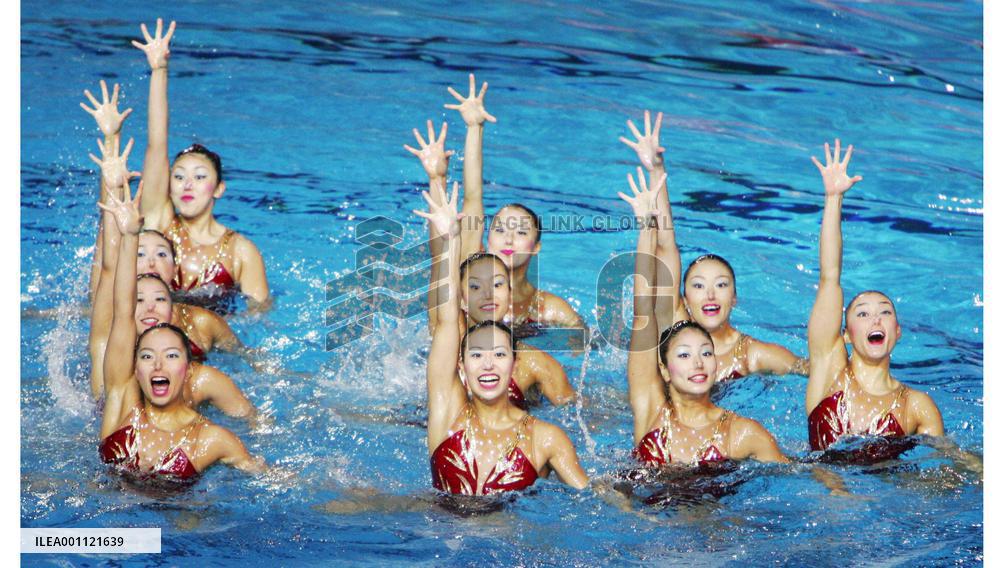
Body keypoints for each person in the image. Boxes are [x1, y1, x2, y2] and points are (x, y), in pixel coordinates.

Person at [419, 182, 588, 495]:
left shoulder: (546, 436)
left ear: (514, 362)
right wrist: (450, 240)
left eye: (498, 355)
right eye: (477, 355)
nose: (487, 364)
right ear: (461, 362)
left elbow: (593, 494)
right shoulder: (447, 410)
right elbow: (444, 316)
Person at [98, 177, 263, 484]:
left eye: (171, 355)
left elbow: (272, 480)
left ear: (189, 370)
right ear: (134, 368)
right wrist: (129, 236)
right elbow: (121, 312)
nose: (158, 364)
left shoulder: (211, 439)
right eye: (147, 356)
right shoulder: (121, 404)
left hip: (184, 525)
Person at [620, 111, 807, 381]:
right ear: (683, 299)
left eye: (720, 285)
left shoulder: (752, 354)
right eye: (698, 286)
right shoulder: (674, 328)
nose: (710, 295)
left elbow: (812, 370)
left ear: (734, 298)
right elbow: (665, 245)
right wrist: (656, 170)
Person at [622, 169, 788, 466]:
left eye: (706, 353)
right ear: (663, 369)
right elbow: (642, 312)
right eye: (684, 355)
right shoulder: (650, 410)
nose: (698, 363)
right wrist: (647, 226)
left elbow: (798, 474)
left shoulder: (743, 434)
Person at [407, 127, 574, 408]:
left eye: (497, 285)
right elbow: (442, 256)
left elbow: (581, 413)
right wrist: (437, 179)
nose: (487, 294)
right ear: (461, 295)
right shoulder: (451, 330)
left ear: (509, 294)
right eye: (475, 287)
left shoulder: (535, 361)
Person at [88, 138, 253, 419]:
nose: (150, 307)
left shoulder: (198, 370)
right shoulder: (113, 366)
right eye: (138, 300)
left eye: (159, 299)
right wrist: (112, 186)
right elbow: (108, 264)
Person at [406, 74, 584, 330]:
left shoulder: (545, 306)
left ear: (537, 247)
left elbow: (585, 344)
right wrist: (473, 130)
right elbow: (472, 198)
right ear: (487, 238)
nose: (508, 239)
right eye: (499, 230)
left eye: (521, 232)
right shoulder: (468, 271)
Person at [81, 80, 242, 360]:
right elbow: (109, 253)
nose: (152, 262)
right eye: (140, 254)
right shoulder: (110, 320)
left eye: (161, 254)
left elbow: (254, 361)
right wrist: (111, 142)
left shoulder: (200, 322)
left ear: (175, 269)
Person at [805, 139, 943, 461]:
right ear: (845, 334)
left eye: (884, 313)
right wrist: (833, 198)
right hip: (822, 499)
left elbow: (942, 473)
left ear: (898, 331)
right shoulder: (829, 369)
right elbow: (829, 277)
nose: (876, 319)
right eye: (863, 314)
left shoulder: (916, 405)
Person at [131, 19, 269, 310]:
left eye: (199, 176)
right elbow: (157, 147)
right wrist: (159, 70)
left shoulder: (241, 252)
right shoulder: (159, 222)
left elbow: (260, 317)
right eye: (179, 177)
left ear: (218, 189)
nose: (187, 184)